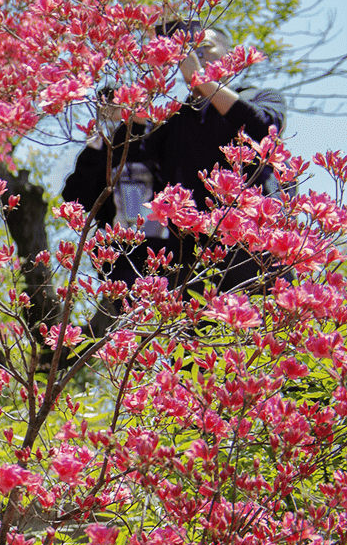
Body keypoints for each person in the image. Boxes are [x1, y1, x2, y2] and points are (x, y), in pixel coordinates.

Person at [63, 20, 287, 338]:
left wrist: (199, 78)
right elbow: (111, 170)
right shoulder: (177, 121)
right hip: (194, 257)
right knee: (198, 357)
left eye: (205, 48)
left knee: (264, 343)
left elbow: (261, 127)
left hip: (252, 248)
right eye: (191, 50)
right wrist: (118, 118)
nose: (196, 55)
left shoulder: (261, 97)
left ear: (231, 56)